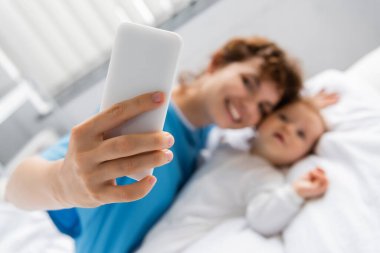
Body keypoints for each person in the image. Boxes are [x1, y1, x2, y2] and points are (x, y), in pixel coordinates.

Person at [4, 37, 303, 252]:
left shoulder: (208, 142)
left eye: (264, 108)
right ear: (217, 63)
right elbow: (17, 187)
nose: (249, 106)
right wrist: (62, 185)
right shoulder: (141, 114)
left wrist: (308, 110)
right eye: (248, 82)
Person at [136, 98, 330, 253]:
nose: (288, 128)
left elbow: (262, 219)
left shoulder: (267, 177)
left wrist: (295, 193)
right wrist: (310, 104)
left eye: (301, 134)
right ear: (263, 119)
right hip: (168, 223)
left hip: (191, 235)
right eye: (284, 117)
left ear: (302, 156)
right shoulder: (230, 147)